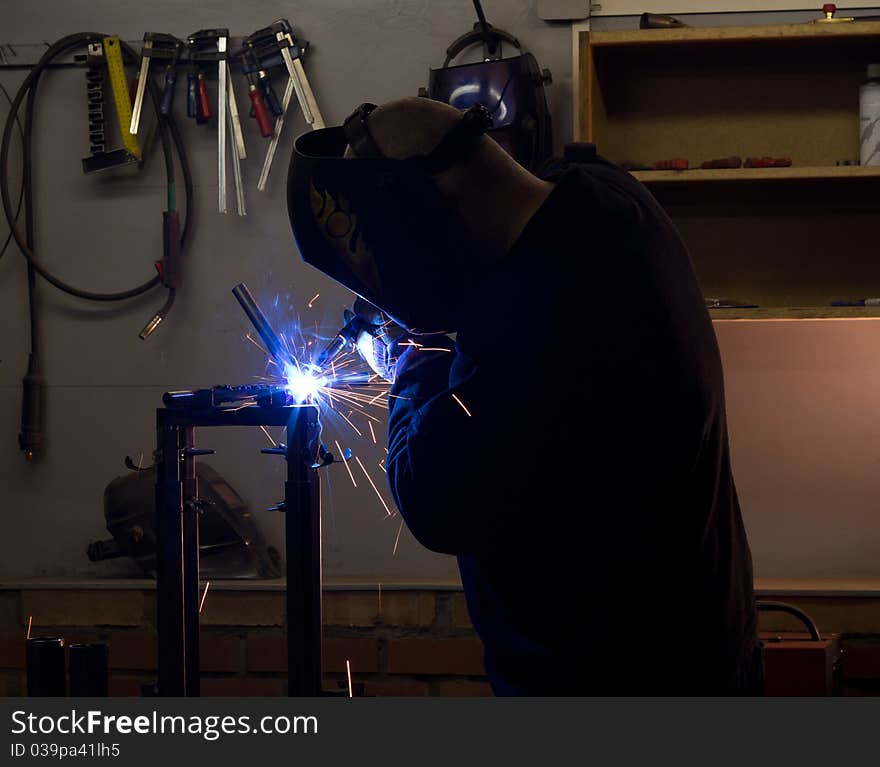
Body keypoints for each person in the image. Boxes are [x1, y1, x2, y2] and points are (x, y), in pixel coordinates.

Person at [288, 97, 762, 695]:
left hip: (619, 689)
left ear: (422, 214)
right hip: (697, 649)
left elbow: (433, 497)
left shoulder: (542, 326)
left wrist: (409, 360)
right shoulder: (603, 196)